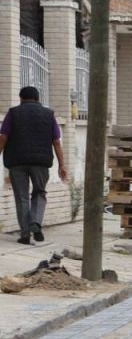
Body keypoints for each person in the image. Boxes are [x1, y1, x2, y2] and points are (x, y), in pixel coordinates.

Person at [0, 87, 67, 244]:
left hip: (16, 162)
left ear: (21, 98)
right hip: (41, 163)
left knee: (21, 197)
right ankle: (36, 222)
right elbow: (56, 141)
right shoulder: (49, 115)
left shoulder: (13, 113)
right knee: (39, 193)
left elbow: (3, 137)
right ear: (38, 98)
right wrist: (62, 165)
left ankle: (25, 234)